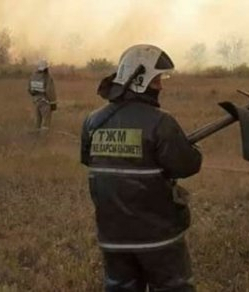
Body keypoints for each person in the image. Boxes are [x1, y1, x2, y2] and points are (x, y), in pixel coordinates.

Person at [80, 44, 202, 292]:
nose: (161, 86)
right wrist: (192, 150)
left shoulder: (93, 121)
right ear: (140, 80)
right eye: (157, 80)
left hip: (113, 238)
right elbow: (187, 165)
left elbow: (88, 160)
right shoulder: (161, 122)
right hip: (159, 239)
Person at [28, 60, 57, 131]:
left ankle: (36, 137)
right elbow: (50, 91)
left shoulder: (33, 76)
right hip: (45, 102)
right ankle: (44, 139)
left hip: (36, 101)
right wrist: (53, 103)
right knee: (46, 123)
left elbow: (29, 89)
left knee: (38, 121)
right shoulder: (47, 77)